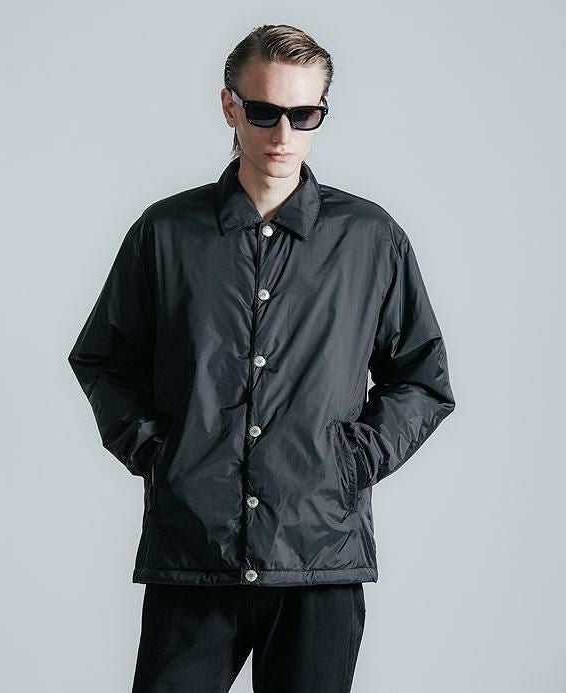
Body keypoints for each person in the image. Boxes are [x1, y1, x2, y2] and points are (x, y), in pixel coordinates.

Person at [68, 23, 455, 693]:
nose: (283, 133)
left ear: (322, 112)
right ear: (229, 106)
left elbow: (422, 376)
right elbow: (104, 357)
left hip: (318, 557)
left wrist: (351, 461)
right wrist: (159, 452)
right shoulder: (166, 233)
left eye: (304, 115)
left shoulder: (369, 239)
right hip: (193, 551)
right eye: (264, 111)